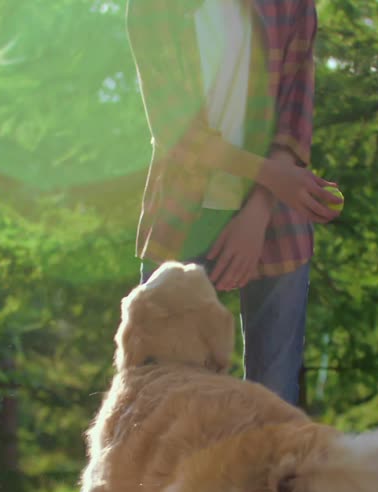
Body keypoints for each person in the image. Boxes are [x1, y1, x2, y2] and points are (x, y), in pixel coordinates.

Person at [126, 0, 337, 406]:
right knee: (159, 398)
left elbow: (296, 113)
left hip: (275, 217)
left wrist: (257, 212)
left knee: (272, 402)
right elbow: (177, 132)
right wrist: (273, 176)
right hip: (182, 218)